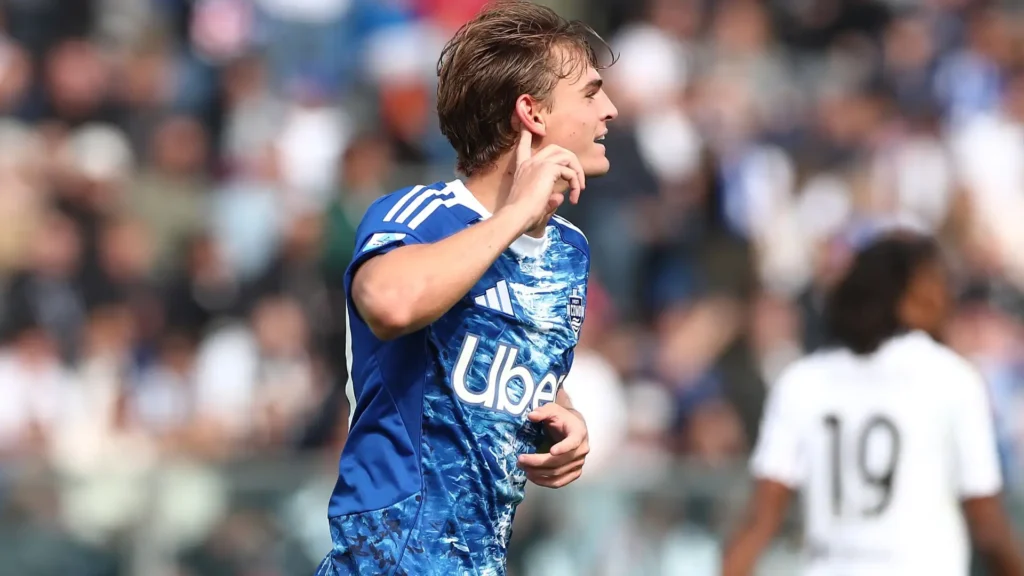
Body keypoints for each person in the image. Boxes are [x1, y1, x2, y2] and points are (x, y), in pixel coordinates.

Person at [315, 2, 618, 575]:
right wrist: (514, 215)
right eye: (590, 93)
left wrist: (564, 418)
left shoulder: (568, 252)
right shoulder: (420, 215)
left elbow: (507, 367)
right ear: (532, 112)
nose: (610, 110)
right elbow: (390, 303)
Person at [723, 231, 1024, 576]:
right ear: (912, 298)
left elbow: (759, 520)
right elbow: (987, 525)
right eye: (938, 286)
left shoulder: (803, 381)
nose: (946, 299)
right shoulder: (952, 379)